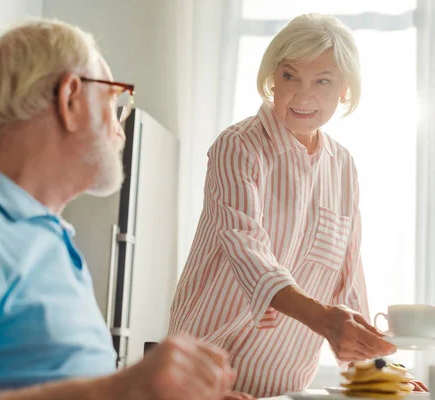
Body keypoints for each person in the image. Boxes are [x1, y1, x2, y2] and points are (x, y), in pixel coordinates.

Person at [0, 18, 236, 400]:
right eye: (115, 101)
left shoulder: (50, 236)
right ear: (69, 99)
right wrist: (123, 388)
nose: (120, 129)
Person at [168, 13, 397, 398]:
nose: (303, 95)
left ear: (344, 90)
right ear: (272, 79)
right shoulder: (238, 146)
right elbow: (248, 250)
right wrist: (325, 320)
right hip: (203, 378)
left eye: (322, 81)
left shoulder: (343, 166)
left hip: (285, 389)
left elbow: (347, 275)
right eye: (290, 76)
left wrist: (379, 373)